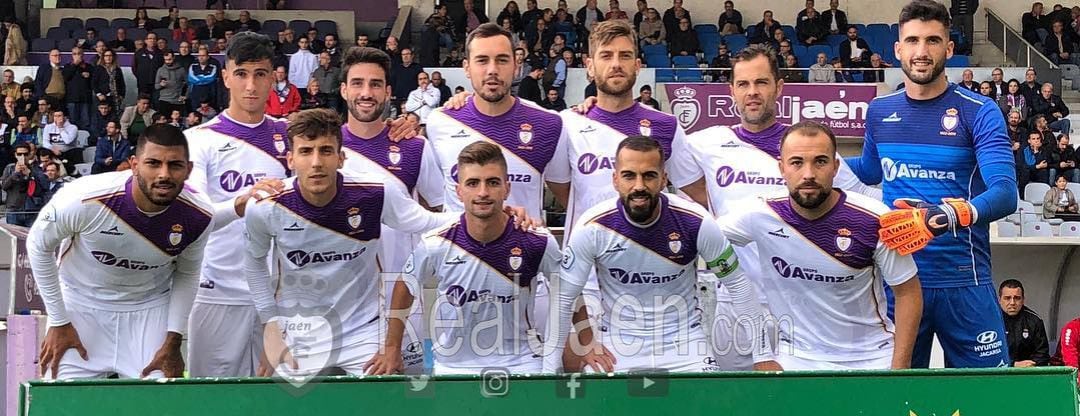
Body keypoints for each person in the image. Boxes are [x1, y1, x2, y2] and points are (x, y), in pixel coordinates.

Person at [668, 43, 880, 370]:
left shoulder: (808, 149)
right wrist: (594, 105)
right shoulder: (704, 143)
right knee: (739, 402)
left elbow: (866, 203)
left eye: (761, 82)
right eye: (743, 84)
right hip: (735, 300)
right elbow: (645, 152)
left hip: (803, 304)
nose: (752, 92)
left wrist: (913, 210)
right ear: (732, 92)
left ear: (779, 87)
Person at [847, 0, 1017, 368]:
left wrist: (945, 216)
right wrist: (812, 163)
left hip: (965, 281)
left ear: (949, 49)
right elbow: (869, 171)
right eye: (912, 41)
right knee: (900, 400)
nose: (921, 52)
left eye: (932, 41)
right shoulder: (879, 111)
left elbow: (1005, 194)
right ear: (897, 49)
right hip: (900, 283)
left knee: (984, 400)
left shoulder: (979, 111)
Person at [243, 108, 461, 378]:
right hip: (299, 333)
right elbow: (253, 264)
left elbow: (428, 222)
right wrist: (271, 327)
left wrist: (493, 213)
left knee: (387, 401)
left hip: (365, 330)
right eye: (305, 151)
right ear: (290, 159)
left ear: (341, 158)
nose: (316, 162)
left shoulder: (375, 193)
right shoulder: (266, 206)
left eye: (325, 151)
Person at [546, 135, 770, 373]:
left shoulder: (695, 221)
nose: (639, 186)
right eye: (629, 175)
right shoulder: (593, 226)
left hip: (686, 344)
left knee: (709, 405)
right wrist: (560, 362)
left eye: (649, 175)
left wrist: (762, 356)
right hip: (617, 347)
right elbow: (564, 294)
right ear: (615, 179)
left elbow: (737, 284)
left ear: (664, 179)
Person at [720, 122, 921, 369]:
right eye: (796, 162)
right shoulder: (759, 214)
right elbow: (695, 236)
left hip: (870, 358)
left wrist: (899, 368)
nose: (808, 174)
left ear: (836, 167)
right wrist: (762, 355)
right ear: (781, 168)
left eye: (820, 162)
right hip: (796, 359)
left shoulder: (874, 218)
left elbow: (908, 291)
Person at [27, 124, 212, 380]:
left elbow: (188, 274)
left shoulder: (199, 215)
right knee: (64, 403)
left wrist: (173, 338)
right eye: (153, 163)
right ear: (135, 165)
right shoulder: (82, 198)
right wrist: (58, 320)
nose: (164, 174)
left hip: (149, 309)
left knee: (165, 402)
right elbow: (38, 246)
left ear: (188, 170)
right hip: (80, 308)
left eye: (175, 165)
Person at [380, 141, 560, 375]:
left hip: (522, 362)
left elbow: (569, 291)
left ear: (507, 188)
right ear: (459, 191)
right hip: (454, 366)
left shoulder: (537, 240)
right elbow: (405, 285)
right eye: (473, 183)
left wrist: (584, 345)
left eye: (492, 182)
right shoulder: (436, 243)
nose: (483, 192)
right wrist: (392, 347)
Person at [998, 279, 1050, 367]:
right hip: (997, 372)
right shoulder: (990, 321)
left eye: (1017, 298)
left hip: (1028, 373)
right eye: (1007, 298)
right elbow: (984, 354)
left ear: (1023, 300)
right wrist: (1012, 364)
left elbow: (1042, 355)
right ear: (999, 300)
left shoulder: (1034, 321)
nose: (1012, 303)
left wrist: (1030, 366)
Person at [1, 142, 47, 226]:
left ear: (29, 155)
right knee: (14, 237)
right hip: (14, 209)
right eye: (19, 154)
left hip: (31, 209)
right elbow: (4, 186)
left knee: (31, 237)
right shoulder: (9, 168)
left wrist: (30, 175)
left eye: (25, 154)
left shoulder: (37, 169)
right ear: (15, 155)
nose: (22, 157)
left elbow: (41, 190)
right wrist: (15, 173)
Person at [41, 110, 80, 174]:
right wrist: (52, 149)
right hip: (53, 152)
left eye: (59, 116)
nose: (57, 118)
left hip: (68, 152)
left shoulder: (73, 128)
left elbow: (67, 141)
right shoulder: (48, 127)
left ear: (65, 117)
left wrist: (61, 128)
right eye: (55, 116)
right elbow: (45, 142)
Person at [187, 46, 220, 113]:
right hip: (195, 97)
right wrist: (204, 78)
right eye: (199, 55)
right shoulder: (192, 66)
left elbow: (211, 78)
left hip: (210, 99)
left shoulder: (213, 67)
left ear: (208, 57)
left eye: (203, 55)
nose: (201, 57)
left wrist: (199, 78)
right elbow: (191, 78)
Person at [155, 51, 188, 121]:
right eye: (165, 60)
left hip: (177, 101)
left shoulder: (181, 70)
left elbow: (188, 84)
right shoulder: (160, 70)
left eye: (169, 59)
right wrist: (161, 85)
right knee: (164, 122)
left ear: (174, 58)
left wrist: (186, 96)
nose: (167, 62)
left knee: (178, 123)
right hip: (164, 100)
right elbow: (156, 86)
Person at [92, 48, 126, 113]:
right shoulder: (99, 69)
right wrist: (99, 94)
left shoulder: (117, 69)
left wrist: (122, 95)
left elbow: (122, 84)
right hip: (103, 98)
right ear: (103, 57)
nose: (108, 58)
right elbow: (94, 83)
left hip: (115, 98)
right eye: (106, 56)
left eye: (110, 56)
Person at [132, 33, 164, 97]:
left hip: (156, 84)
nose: (152, 40)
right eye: (150, 38)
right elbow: (134, 67)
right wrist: (140, 77)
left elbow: (163, 68)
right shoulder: (139, 53)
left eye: (154, 39)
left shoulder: (161, 54)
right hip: (143, 84)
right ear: (145, 41)